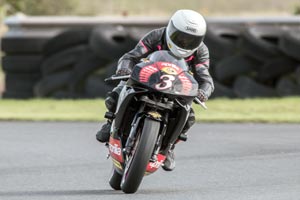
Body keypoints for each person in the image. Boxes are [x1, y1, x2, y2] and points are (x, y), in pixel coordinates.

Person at [96, 9, 214, 171]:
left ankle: (169, 147)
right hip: (148, 78)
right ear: (171, 30)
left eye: (191, 40)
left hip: (177, 87)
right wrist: (124, 70)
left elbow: (205, 77)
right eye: (180, 37)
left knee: (189, 116)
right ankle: (110, 124)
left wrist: (203, 92)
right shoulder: (156, 36)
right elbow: (131, 56)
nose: (185, 43)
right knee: (117, 92)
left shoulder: (201, 50)